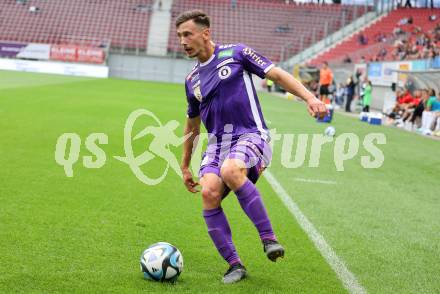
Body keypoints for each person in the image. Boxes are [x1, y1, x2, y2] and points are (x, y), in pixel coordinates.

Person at [176, 10, 327, 284]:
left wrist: (309, 97)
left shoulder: (237, 53)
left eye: (187, 34)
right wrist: (185, 164)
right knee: (208, 192)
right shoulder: (191, 80)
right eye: (179, 36)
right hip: (217, 144)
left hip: (250, 134)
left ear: (205, 33)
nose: (182, 41)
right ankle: (234, 264)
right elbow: (192, 126)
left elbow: (277, 75)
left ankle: (269, 239)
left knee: (232, 170)